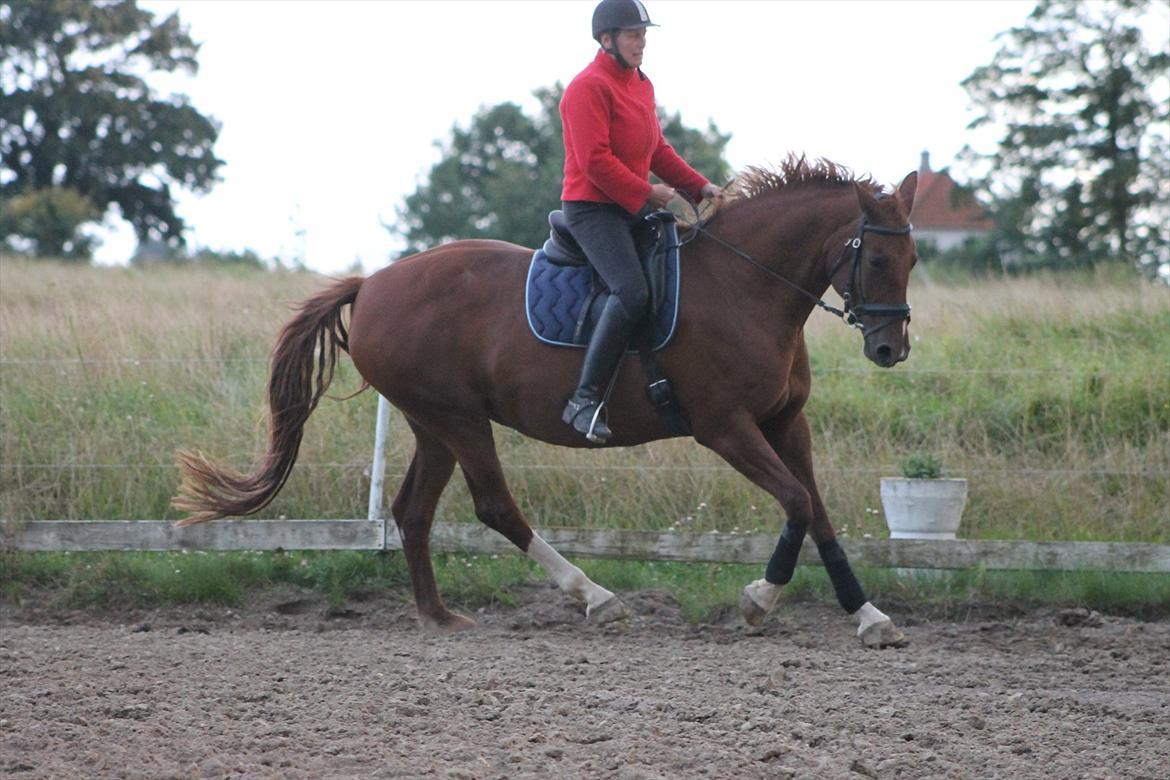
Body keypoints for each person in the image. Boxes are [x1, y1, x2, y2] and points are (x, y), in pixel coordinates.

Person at [560, 0, 722, 444]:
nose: (642, 42)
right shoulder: (586, 88)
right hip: (593, 209)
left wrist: (700, 187)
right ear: (607, 39)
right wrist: (648, 192)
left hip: (630, 207)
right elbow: (594, 161)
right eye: (634, 34)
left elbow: (657, 151)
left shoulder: (640, 84)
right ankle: (584, 401)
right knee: (631, 291)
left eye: (644, 34)